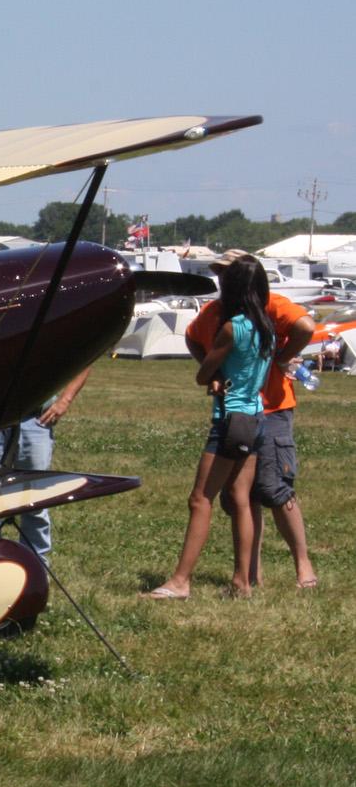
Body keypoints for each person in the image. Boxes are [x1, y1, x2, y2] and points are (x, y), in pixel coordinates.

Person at [184, 250, 317, 589]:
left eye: (226, 273)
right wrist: (213, 369)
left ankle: (303, 565)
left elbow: (305, 325)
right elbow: (191, 336)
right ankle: (248, 575)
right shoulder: (217, 314)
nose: (220, 279)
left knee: (273, 488)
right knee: (241, 496)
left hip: (270, 409)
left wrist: (281, 359)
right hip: (247, 412)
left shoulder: (266, 309)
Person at [149, 253, 274, 599]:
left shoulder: (232, 328)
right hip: (255, 419)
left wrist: (214, 375)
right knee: (240, 498)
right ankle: (242, 582)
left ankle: (180, 581)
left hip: (228, 421)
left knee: (201, 499)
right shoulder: (266, 327)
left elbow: (202, 373)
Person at [0, 367, 90, 566]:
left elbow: (86, 360)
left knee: (35, 497)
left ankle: (35, 563)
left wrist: (65, 400)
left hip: (36, 420)